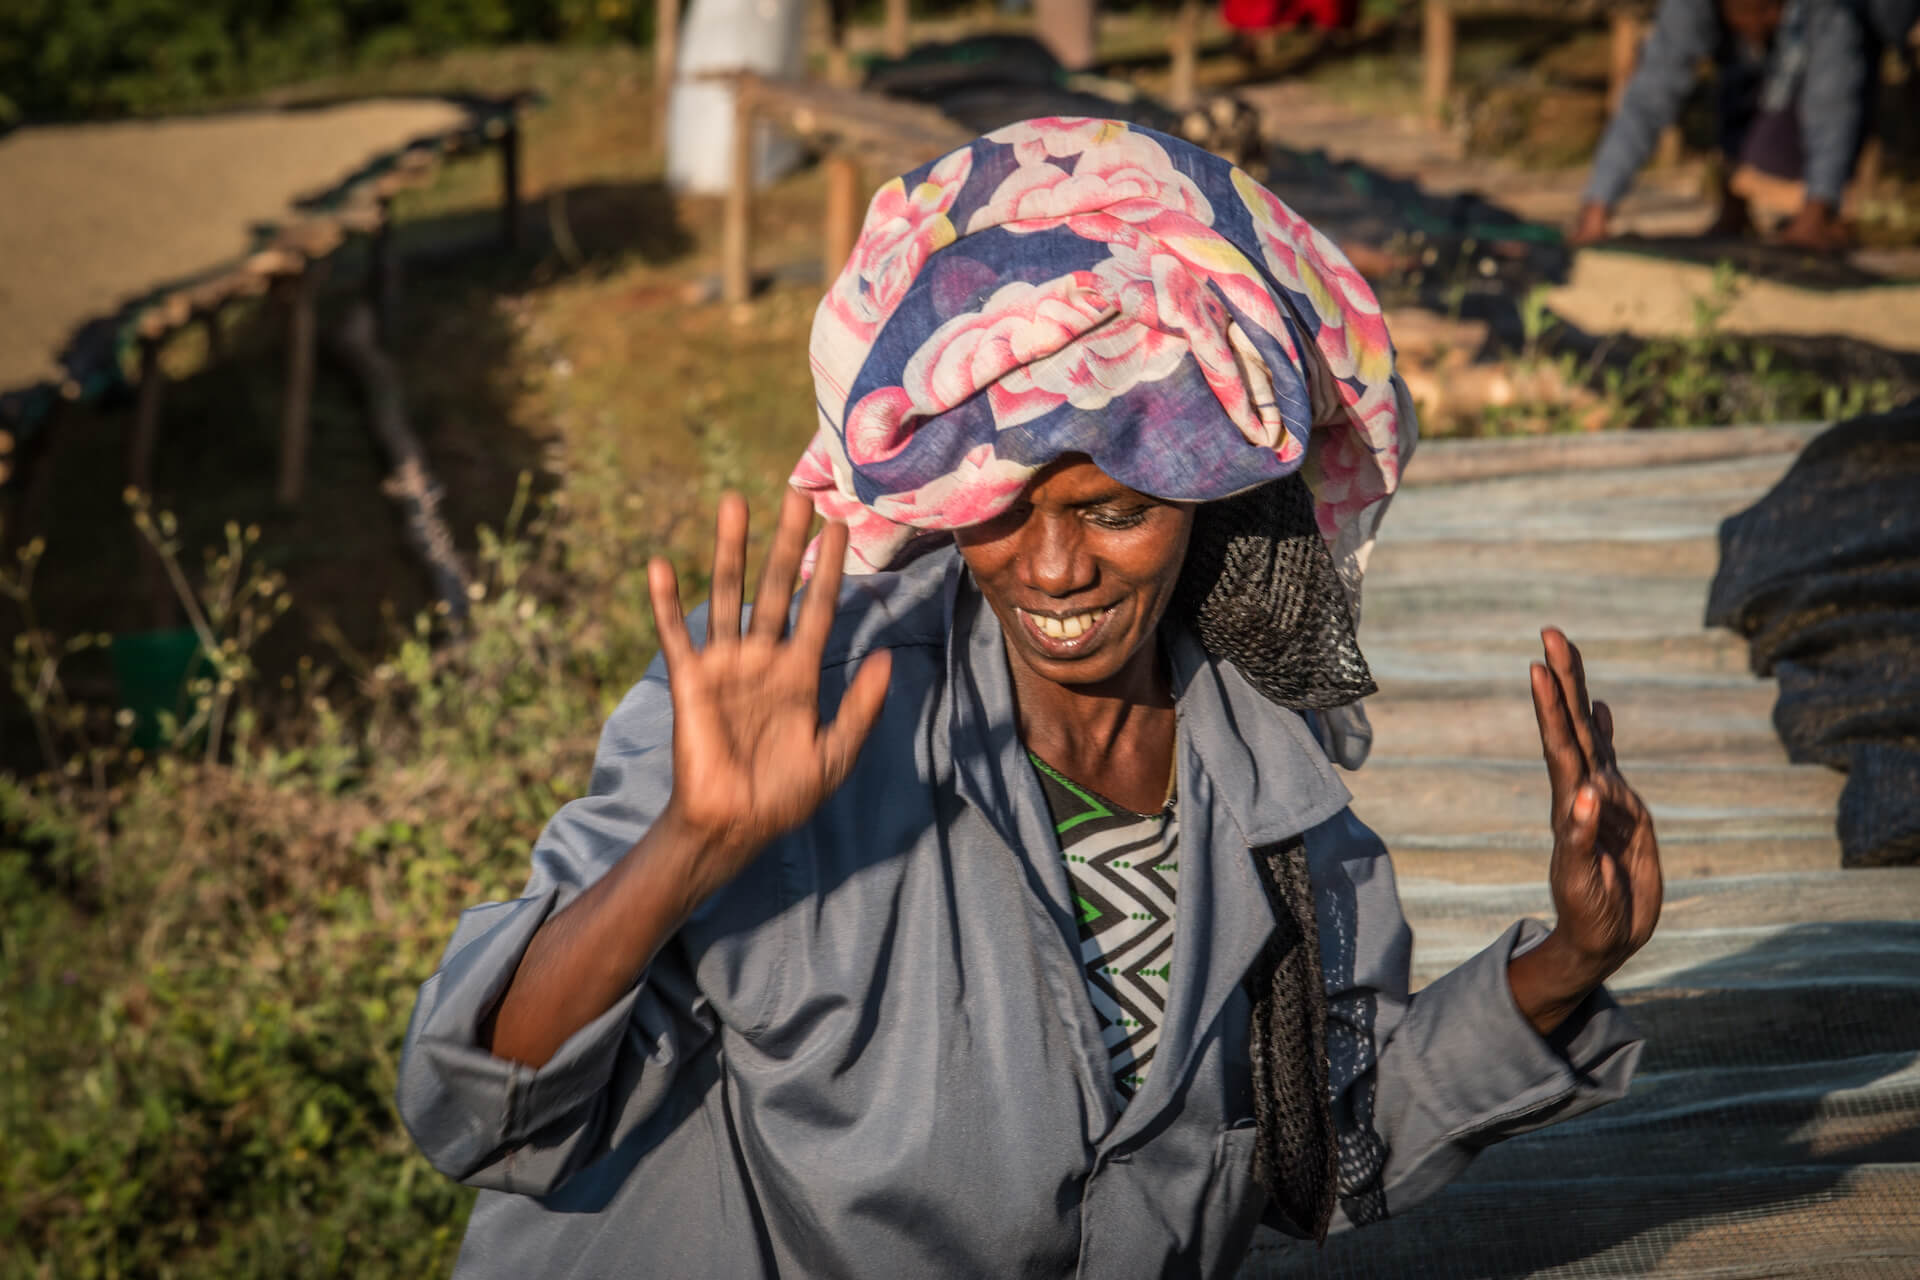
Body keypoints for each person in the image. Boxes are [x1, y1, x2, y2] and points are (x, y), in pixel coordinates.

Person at [398, 119, 1663, 1278]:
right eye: (1000, 514)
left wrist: (1570, 960)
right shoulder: (801, 724)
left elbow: (1314, 1141)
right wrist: (693, 844)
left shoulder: (1268, 789)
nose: (1052, 570)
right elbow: (477, 1105)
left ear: (1211, 501)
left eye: (1112, 510)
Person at [1572, 0, 1873, 251]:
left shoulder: (1829, 13)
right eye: (1751, 10)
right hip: (1761, 63)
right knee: (1735, 83)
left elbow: (1833, 100)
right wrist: (1598, 205)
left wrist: (1817, 207)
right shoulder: (1689, 10)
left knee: (1780, 153)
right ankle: (1737, 209)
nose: (1766, 17)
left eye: (1769, 8)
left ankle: (1827, 214)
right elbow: (1649, 97)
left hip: (1867, 20)